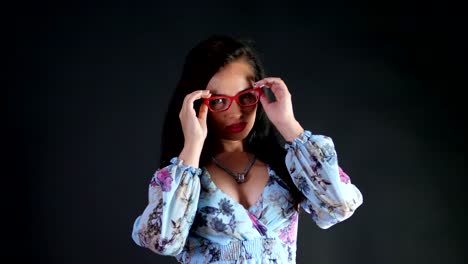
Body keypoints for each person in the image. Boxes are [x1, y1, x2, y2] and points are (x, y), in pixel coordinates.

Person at [131, 34, 363, 263]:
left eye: (245, 96)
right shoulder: (185, 178)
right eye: (219, 101)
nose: (236, 112)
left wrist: (287, 124)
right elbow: (163, 240)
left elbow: (339, 206)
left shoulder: (285, 166)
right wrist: (192, 145)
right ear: (196, 103)